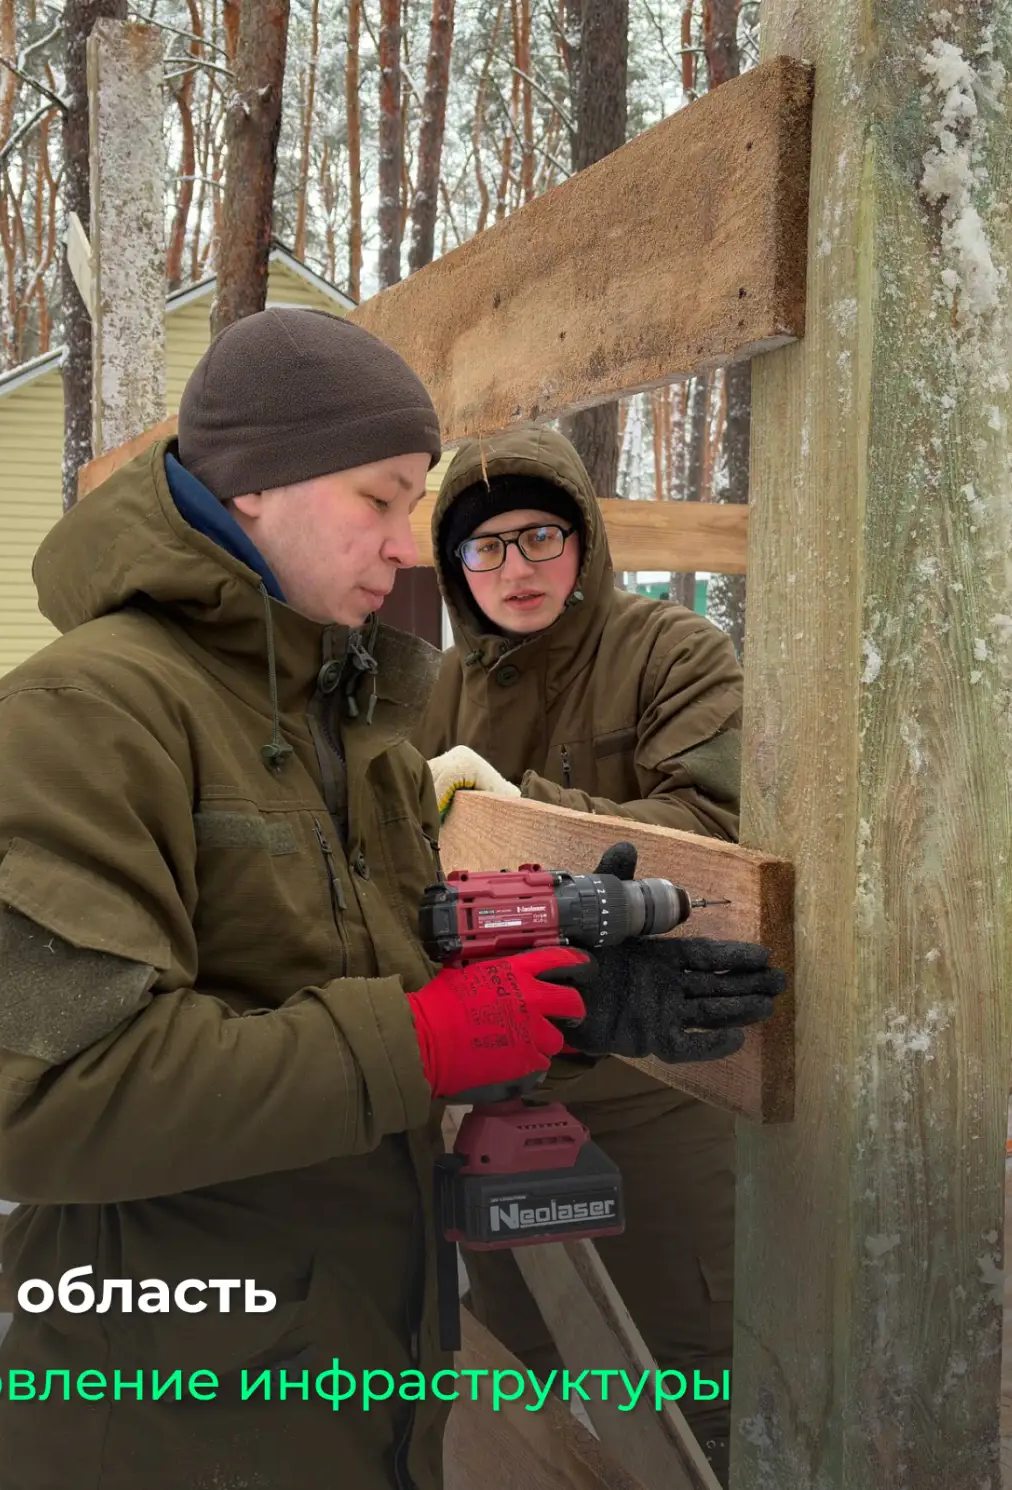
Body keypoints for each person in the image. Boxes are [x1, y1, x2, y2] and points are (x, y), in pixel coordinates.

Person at [0, 311, 780, 1490]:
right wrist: (423, 1038)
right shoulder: (77, 722)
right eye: (380, 499)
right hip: (177, 1419)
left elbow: (378, 964)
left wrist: (569, 1001)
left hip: (359, 1379)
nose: (406, 546)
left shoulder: (334, 717)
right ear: (256, 485)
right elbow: (41, 1103)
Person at [415, 424, 750, 1479]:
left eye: (539, 536)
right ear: (455, 567)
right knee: (521, 1360)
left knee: (689, 1367)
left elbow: (712, 829)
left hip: (653, 1076)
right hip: (496, 1077)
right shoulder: (435, 689)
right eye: (486, 547)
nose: (515, 568)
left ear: (585, 540)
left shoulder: (672, 651)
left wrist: (513, 816)